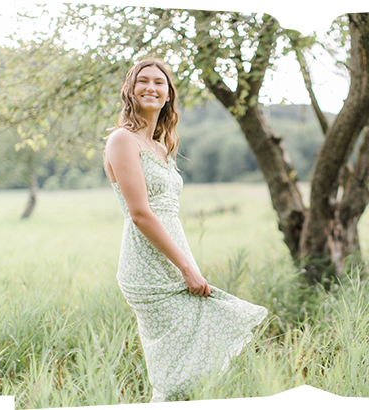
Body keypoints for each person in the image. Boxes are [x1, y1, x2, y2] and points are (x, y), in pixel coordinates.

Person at [102, 58, 267, 402]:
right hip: (149, 268)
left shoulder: (161, 147)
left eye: (159, 83)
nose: (151, 87)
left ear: (168, 96)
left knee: (189, 366)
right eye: (142, 81)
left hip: (175, 261)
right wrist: (187, 268)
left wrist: (187, 263)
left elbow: (169, 215)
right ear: (130, 91)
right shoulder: (122, 140)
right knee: (177, 372)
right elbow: (141, 214)